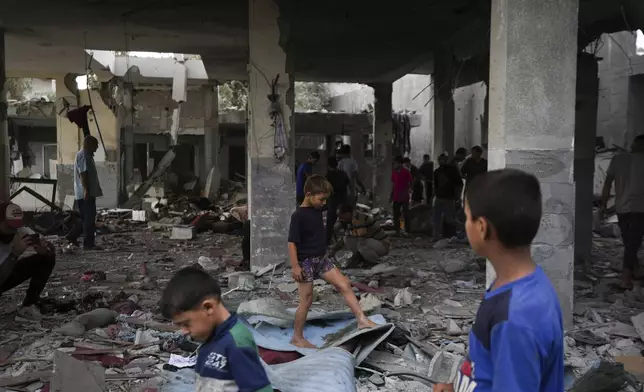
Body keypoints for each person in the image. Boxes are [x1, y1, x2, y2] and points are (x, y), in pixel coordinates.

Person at [434, 169, 563, 392]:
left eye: (467, 217)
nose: (465, 224)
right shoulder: (516, 285)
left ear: (482, 228)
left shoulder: (516, 317)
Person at [288, 175, 377, 348]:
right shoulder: (298, 216)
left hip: (321, 260)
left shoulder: (317, 209)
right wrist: (295, 266)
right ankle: (297, 337)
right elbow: (292, 244)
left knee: (344, 284)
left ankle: (362, 320)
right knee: (306, 300)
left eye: (325, 199)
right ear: (308, 194)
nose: (323, 203)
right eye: (321, 199)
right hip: (305, 262)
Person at [160, 267, 273, 392]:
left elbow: (259, 388)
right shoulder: (211, 338)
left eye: (186, 323)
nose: (184, 331)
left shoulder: (236, 342)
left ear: (208, 307)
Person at [601, 134, 644, 289]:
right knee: (633, 242)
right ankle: (626, 277)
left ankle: (636, 269)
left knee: (629, 242)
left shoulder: (618, 159)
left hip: (622, 208)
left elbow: (607, 185)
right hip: (640, 208)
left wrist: (603, 206)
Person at [0, 203, 56, 320]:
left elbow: (49, 248)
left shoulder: (19, 230)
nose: (13, 230)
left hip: (5, 273)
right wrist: (14, 254)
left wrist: (45, 250)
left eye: (15, 226)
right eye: (9, 226)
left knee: (45, 259)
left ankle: (28, 305)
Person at [70, 135, 103, 250]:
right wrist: (86, 190)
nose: (97, 147)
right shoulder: (83, 155)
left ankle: (72, 236)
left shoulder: (87, 155)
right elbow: (84, 174)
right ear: (89, 144)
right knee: (88, 219)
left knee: (87, 218)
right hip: (85, 193)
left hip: (87, 192)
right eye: (96, 145)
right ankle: (88, 245)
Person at [433, 154, 463, 241]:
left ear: (446, 160)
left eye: (443, 159)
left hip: (449, 198)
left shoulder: (452, 170)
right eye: (439, 159)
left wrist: (457, 196)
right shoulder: (436, 172)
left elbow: (459, 184)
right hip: (438, 197)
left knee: (450, 219)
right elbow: (435, 185)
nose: (441, 161)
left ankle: (464, 228)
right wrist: (433, 195)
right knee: (436, 218)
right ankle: (436, 236)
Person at [325, 156, 350, 244]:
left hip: (333, 202)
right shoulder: (343, 173)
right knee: (345, 222)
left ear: (328, 165)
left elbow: (326, 190)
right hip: (343, 201)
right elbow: (348, 185)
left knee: (330, 223)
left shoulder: (328, 175)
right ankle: (350, 238)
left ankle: (327, 241)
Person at [391, 156, 413, 235]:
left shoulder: (406, 171)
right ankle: (398, 230)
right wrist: (391, 195)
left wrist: (409, 190)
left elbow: (411, 182)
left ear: (400, 163)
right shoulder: (394, 172)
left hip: (404, 197)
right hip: (396, 196)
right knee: (396, 215)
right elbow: (393, 184)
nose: (394, 165)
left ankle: (408, 230)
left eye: (395, 163)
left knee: (406, 214)